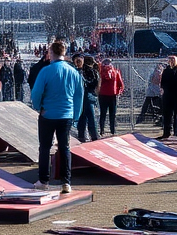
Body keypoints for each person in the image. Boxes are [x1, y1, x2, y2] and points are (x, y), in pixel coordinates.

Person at [31, 40, 85, 193]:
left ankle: (43, 180)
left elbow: (36, 92)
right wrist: (75, 114)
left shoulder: (46, 71)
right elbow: (79, 95)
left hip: (48, 114)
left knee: (45, 148)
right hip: (66, 114)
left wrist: (38, 106)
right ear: (64, 53)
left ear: (51, 53)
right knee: (65, 148)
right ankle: (66, 182)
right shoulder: (73, 72)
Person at [75, 55, 100, 142]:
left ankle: (85, 136)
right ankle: (92, 136)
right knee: (88, 117)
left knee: (86, 117)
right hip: (88, 96)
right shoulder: (92, 71)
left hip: (85, 96)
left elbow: (90, 83)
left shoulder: (85, 71)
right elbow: (95, 84)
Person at [97, 58, 124, 137]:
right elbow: (120, 84)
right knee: (106, 114)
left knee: (109, 114)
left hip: (109, 95)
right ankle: (105, 130)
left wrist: (118, 92)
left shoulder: (114, 72)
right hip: (106, 95)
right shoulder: (101, 72)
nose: (107, 64)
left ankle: (109, 130)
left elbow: (120, 84)